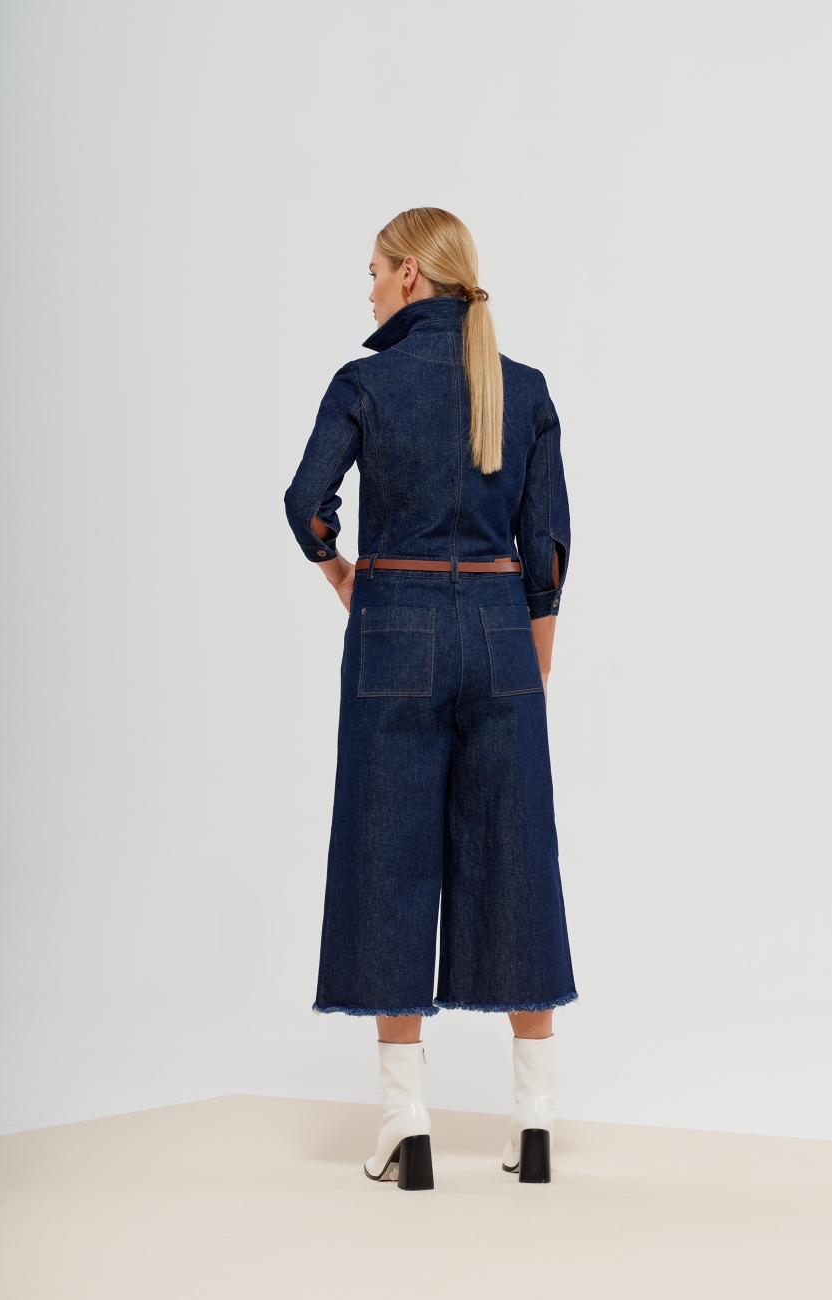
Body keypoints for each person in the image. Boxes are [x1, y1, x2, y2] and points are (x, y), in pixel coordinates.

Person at [284, 207, 576, 1190]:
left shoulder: (366, 382)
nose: (368, 289)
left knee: (389, 857)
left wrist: (342, 574)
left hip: (395, 627)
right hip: (501, 635)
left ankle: (406, 1123)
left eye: (374, 270)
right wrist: (530, 670)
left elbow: (305, 503)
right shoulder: (523, 387)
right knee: (517, 854)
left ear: (411, 273)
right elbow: (546, 548)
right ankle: (534, 1117)